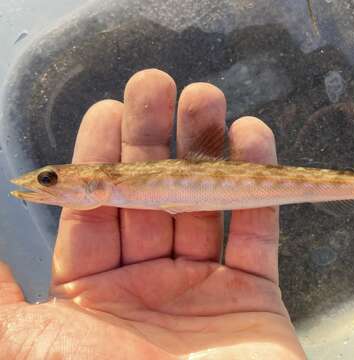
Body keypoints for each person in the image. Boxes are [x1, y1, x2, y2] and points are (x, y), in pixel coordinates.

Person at [0, 69, 306, 359]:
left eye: (48, 179)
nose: (44, 185)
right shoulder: (110, 185)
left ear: (92, 178)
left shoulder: (111, 182)